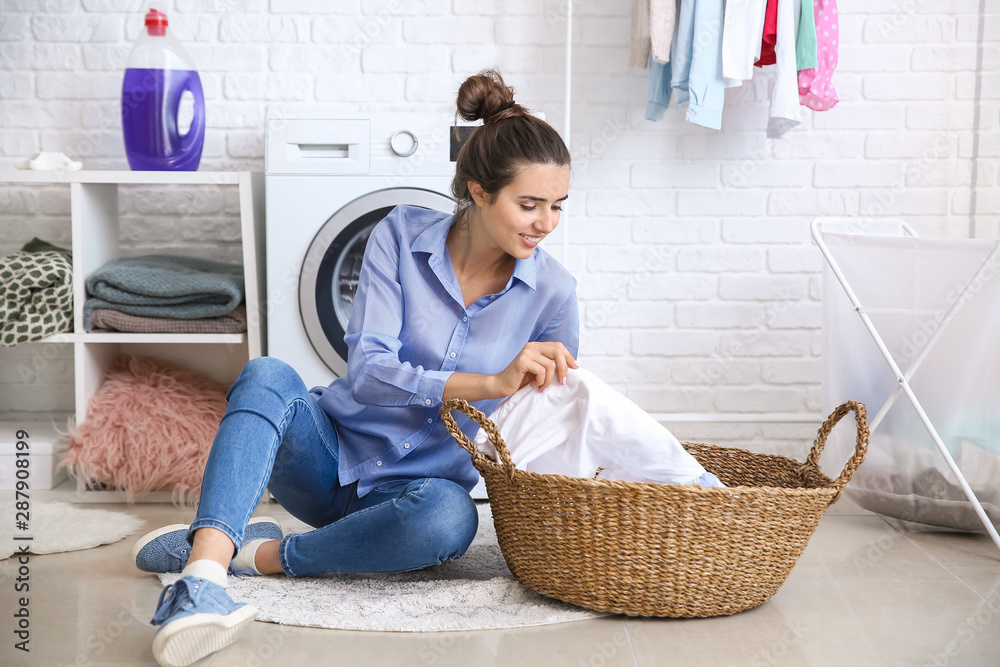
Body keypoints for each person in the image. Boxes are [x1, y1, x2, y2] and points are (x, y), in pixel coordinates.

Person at [132, 68, 580, 667]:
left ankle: (259, 555)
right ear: (478, 190)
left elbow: (549, 417)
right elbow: (368, 371)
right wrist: (490, 383)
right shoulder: (400, 235)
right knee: (267, 374)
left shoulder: (554, 293)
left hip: (415, 497)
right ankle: (204, 576)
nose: (546, 223)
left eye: (557, 206)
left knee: (451, 522)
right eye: (530, 204)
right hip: (327, 459)